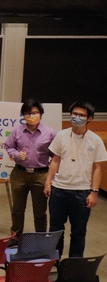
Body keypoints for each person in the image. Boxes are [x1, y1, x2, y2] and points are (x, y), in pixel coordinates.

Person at [46, 101, 107, 258]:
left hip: (81, 192)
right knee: (55, 230)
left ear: (90, 119)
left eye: (81, 115)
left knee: (79, 232)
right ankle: (54, 261)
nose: (77, 117)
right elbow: (55, 160)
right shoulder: (61, 135)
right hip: (59, 190)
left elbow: (98, 168)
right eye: (74, 114)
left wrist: (94, 192)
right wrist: (48, 182)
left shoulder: (95, 140)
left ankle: (74, 267)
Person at [5, 99, 56, 237]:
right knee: (17, 209)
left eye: (35, 113)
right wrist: (16, 154)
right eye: (28, 113)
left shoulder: (50, 133)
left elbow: (56, 156)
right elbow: (9, 146)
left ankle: (40, 240)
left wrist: (51, 178)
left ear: (41, 114)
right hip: (20, 173)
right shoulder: (17, 130)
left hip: (41, 174)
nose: (32, 116)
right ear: (23, 115)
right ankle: (15, 238)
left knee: (40, 211)